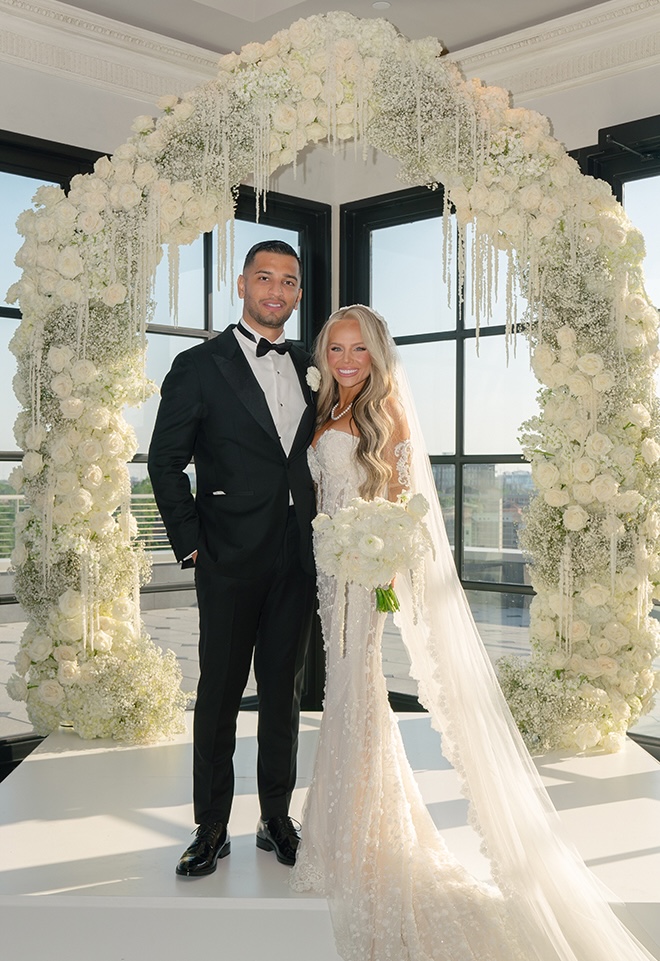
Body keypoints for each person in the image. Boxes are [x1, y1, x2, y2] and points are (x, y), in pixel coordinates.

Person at [290, 304, 656, 961]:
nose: (346, 360)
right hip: (327, 573)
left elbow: (404, 510)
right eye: (336, 348)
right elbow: (322, 498)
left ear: (376, 356)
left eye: (358, 350)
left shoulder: (387, 414)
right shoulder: (324, 410)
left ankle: (364, 837)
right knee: (345, 695)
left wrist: (376, 565)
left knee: (356, 691)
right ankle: (341, 829)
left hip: (363, 576)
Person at [148, 240, 316, 877]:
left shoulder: (312, 365)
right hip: (226, 556)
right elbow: (165, 463)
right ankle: (211, 825)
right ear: (242, 284)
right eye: (265, 278)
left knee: (285, 691)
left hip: (298, 558)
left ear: (299, 294)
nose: (277, 291)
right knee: (218, 693)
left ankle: (276, 816)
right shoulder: (198, 365)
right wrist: (191, 543)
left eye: (289, 282)